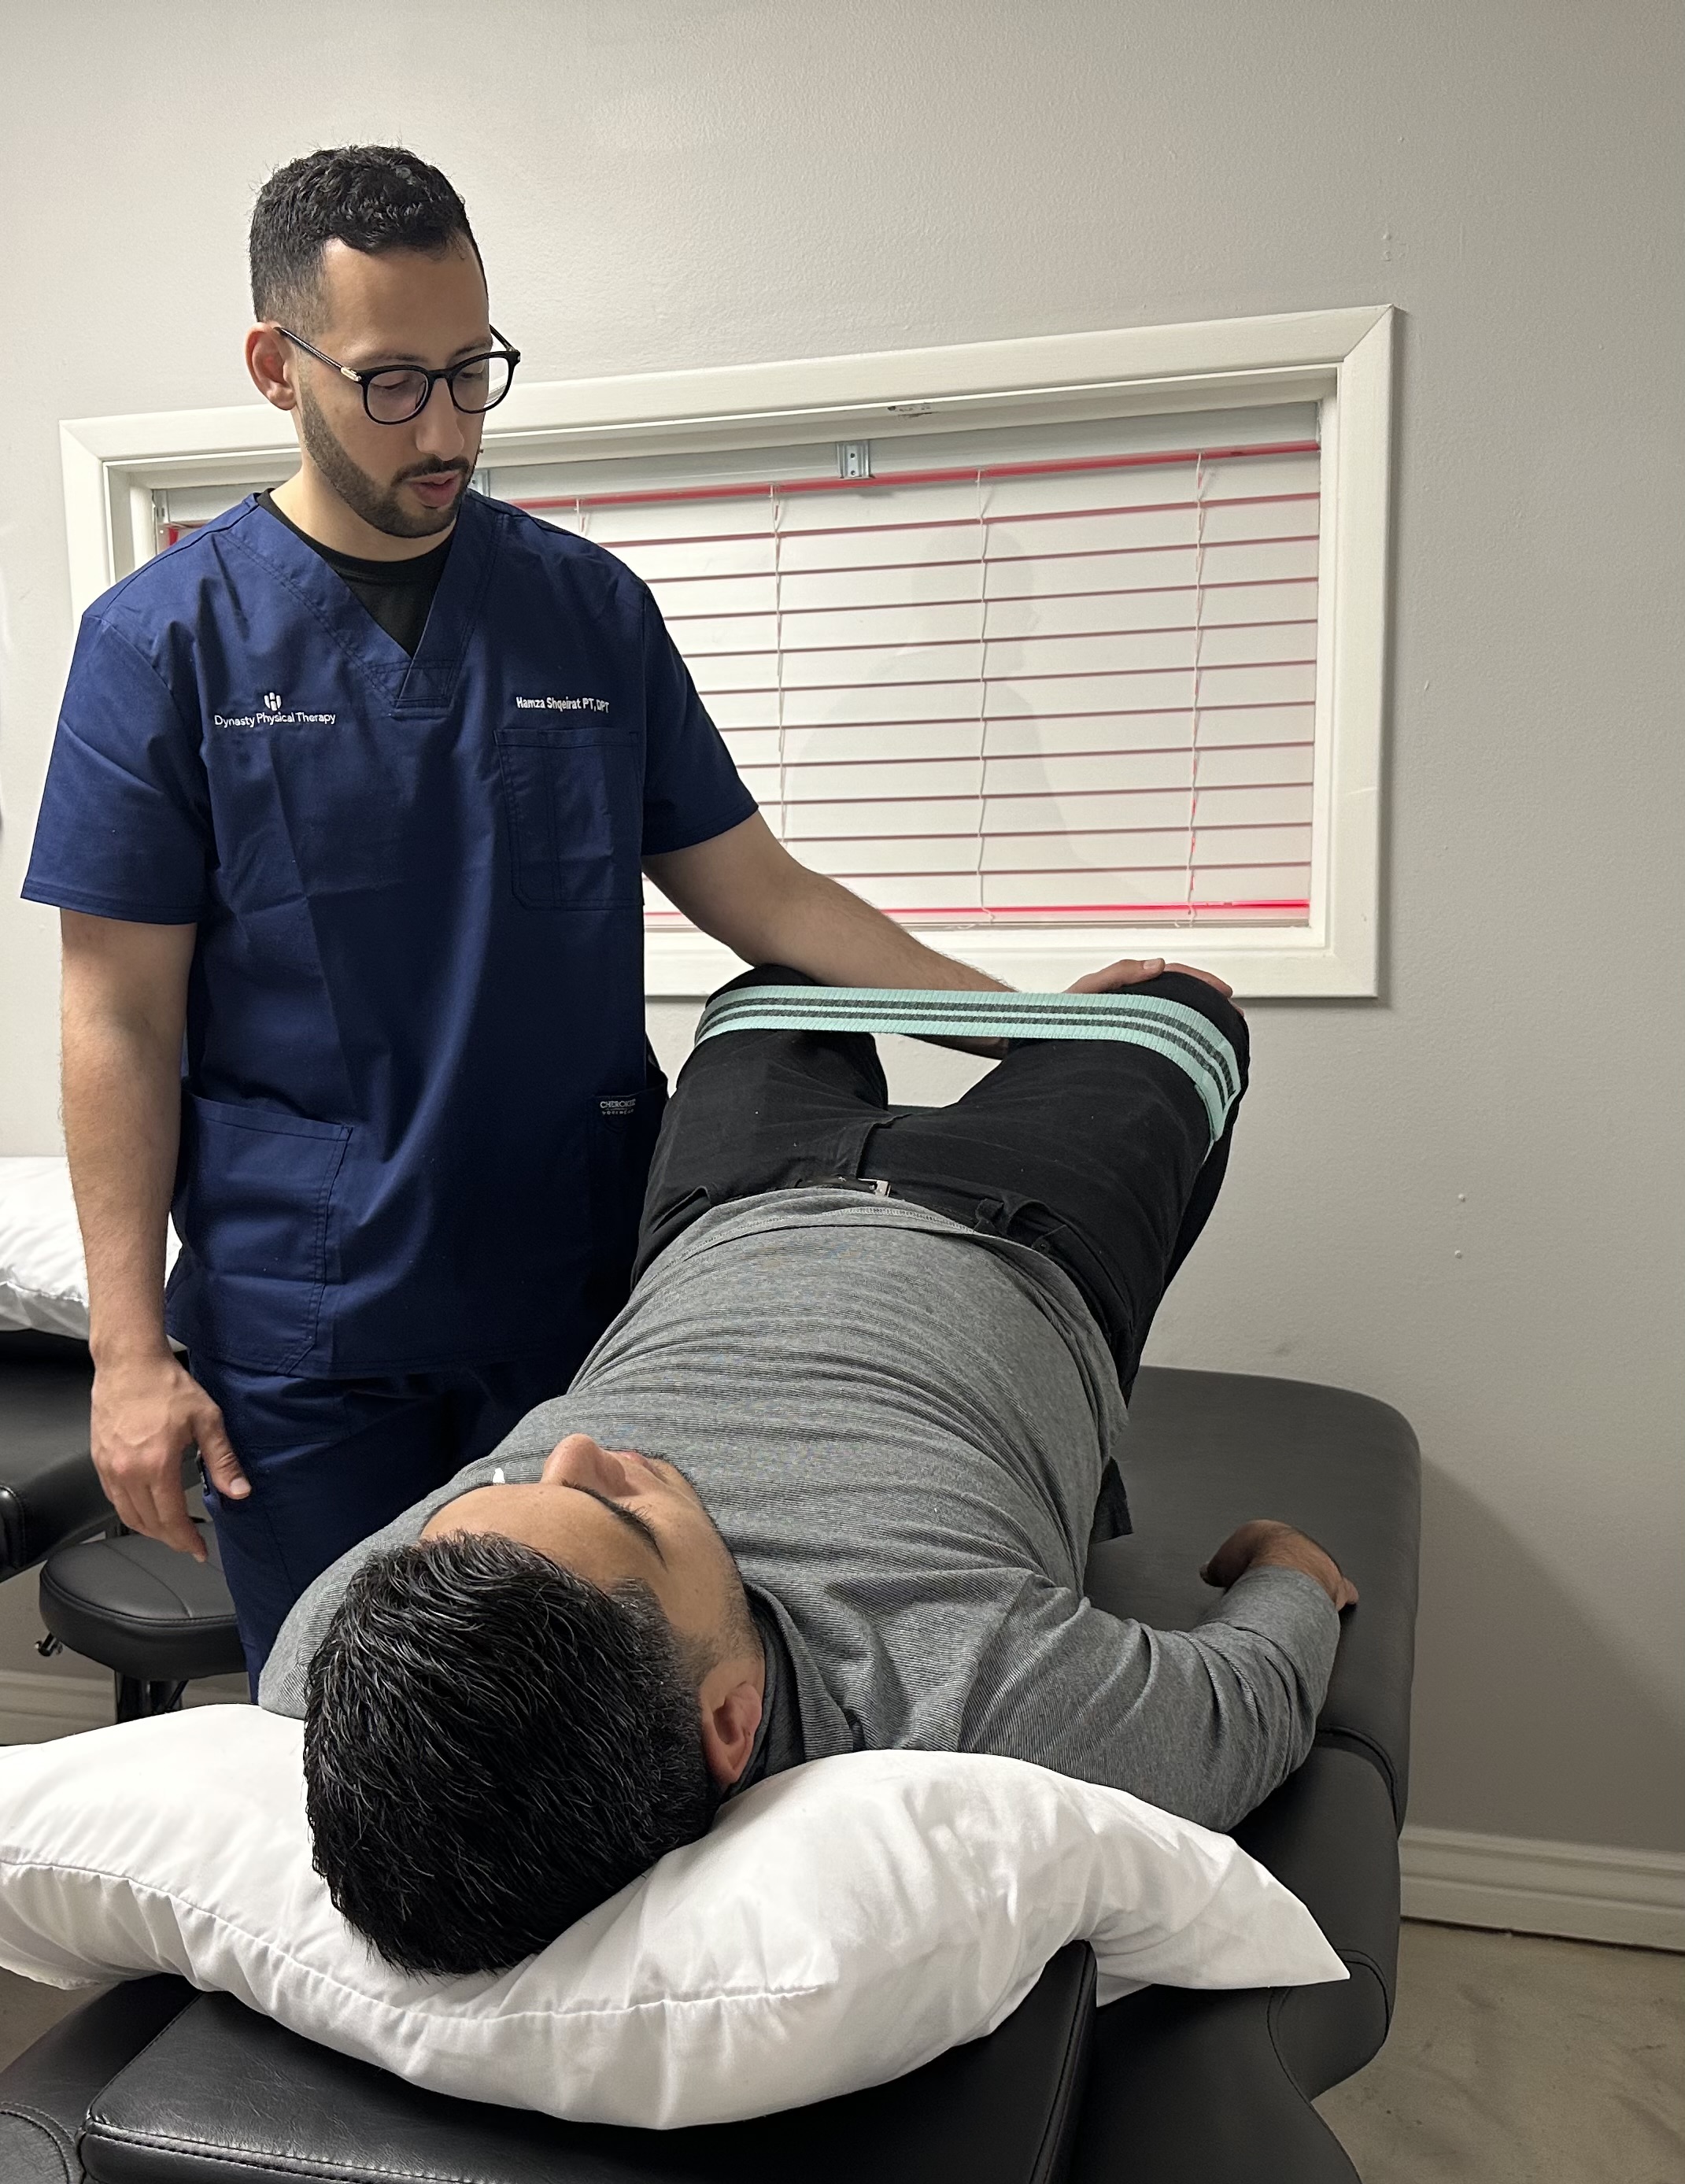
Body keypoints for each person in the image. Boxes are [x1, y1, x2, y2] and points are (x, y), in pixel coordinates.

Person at [22, 145, 1066, 1683]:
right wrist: (126, 1356)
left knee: (584, 1723)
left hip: (570, 1293)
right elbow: (118, 1014)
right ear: (273, 364)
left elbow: (759, 892)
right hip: (304, 1327)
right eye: (391, 382)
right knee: (338, 1729)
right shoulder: (162, 644)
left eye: (472, 372)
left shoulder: (587, 610)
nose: (444, 428)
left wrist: (1044, 1033)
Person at [261, 963, 1358, 1979]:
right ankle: (1060, 1063)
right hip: (1024, 1227)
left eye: (499, 1490)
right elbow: (1245, 1706)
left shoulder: (344, 1655)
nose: (573, 1448)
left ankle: (1038, 1048)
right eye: (620, 1511)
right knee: (1184, 1005)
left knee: (773, 980)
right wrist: (1286, 1565)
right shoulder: (982, 1696)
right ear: (730, 1724)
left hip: (722, 1212)